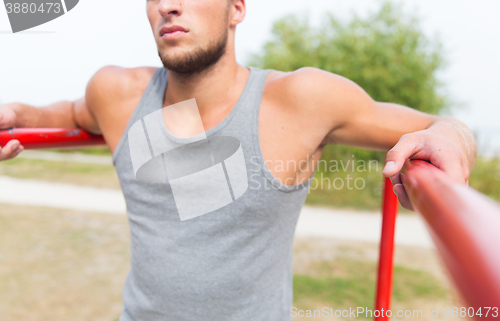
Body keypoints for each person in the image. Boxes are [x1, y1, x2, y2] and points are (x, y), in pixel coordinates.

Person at [0, 0, 476, 320]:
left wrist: (451, 142)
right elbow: (67, 113)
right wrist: (20, 115)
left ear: (237, 8)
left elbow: (441, 124)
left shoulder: (301, 99)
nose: (168, 5)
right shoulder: (116, 93)